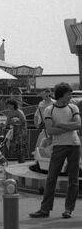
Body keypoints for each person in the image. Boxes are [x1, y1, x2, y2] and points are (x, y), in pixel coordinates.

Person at [30, 82, 80, 219]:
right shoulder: (49, 110)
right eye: (68, 94)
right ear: (61, 95)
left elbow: (79, 124)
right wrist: (70, 126)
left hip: (74, 145)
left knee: (73, 179)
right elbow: (50, 130)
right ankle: (45, 209)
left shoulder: (73, 107)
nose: (70, 96)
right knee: (51, 178)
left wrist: (60, 124)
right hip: (59, 146)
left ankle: (68, 209)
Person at [4, 98, 28, 163]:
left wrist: (16, 121)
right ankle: (19, 160)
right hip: (14, 131)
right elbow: (7, 121)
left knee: (21, 146)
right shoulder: (10, 113)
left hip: (21, 131)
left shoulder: (19, 112)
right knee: (16, 146)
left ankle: (22, 161)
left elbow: (24, 121)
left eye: (9, 105)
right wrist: (4, 126)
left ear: (12, 105)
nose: (8, 106)